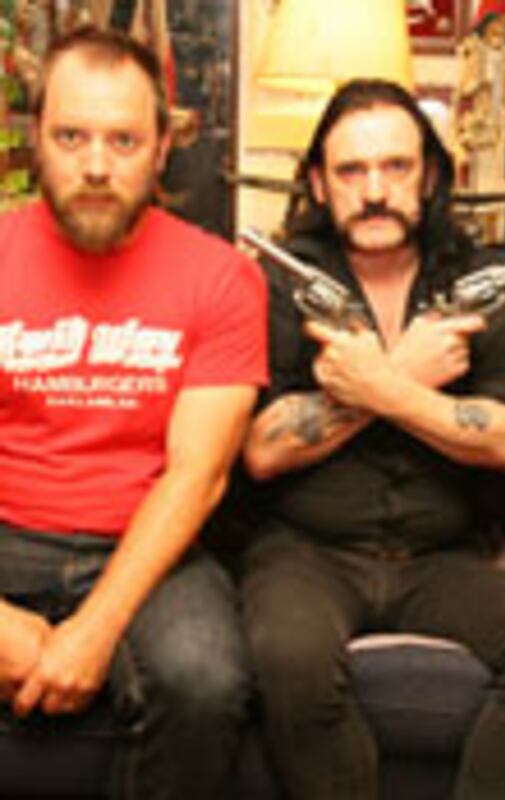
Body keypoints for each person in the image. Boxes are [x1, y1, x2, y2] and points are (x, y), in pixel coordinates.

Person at [240, 78, 505, 800]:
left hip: (442, 557)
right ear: (318, 182)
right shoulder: (281, 281)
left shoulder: (478, 284)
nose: (375, 191)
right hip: (307, 552)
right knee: (288, 656)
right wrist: (407, 375)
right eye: (351, 171)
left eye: (396, 167)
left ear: (430, 176)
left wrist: (381, 386)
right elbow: (263, 449)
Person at [0, 26, 266, 800]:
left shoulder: (220, 277)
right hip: (8, 531)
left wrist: (92, 631)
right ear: (36, 138)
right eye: (71, 137)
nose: (94, 166)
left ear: (162, 149)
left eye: (123, 140)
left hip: (148, 543)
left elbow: (197, 476)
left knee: (204, 680)